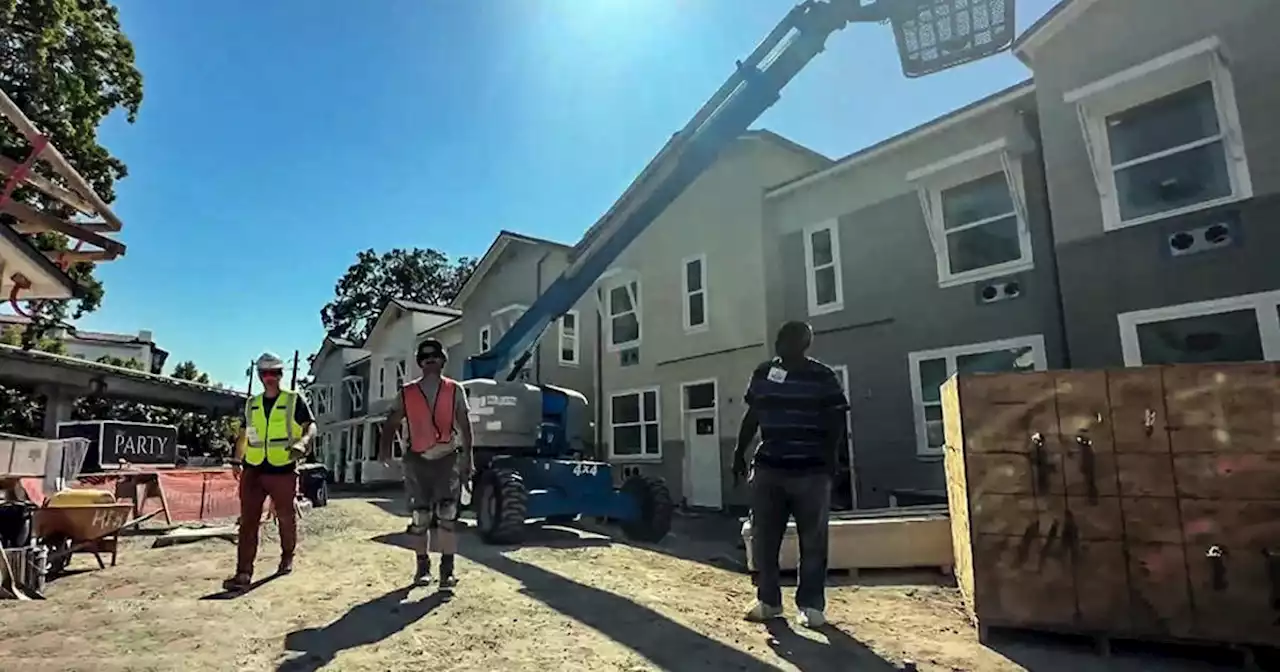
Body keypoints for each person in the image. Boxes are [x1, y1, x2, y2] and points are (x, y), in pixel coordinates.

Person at [733, 321, 850, 628]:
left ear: (804, 343)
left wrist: (831, 460)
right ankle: (768, 600)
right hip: (769, 468)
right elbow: (752, 415)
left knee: (813, 541)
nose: (780, 343)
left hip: (811, 471)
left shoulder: (822, 376)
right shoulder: (763, 374)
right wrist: (738, 452)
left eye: (789, 339)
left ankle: (810, 605)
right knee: (763, 539)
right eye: (780, 338)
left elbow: (837, 420)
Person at [379, 338, 473, 589]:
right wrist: (384, 452)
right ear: (420, 362)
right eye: (425, 356)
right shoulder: (407, 392)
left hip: (447, 458)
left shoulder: (455, 389)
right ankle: (422, 567)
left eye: (435, 355)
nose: (431, 359)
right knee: (420, 517)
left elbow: (465, 425)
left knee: (447, 515)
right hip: (416, 459)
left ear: (443, 360)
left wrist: (468, 460)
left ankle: (447, 569)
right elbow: (392, 421)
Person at [223, 352, 316, 592]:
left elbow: (311, 426)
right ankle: (243, 573)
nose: (269, 377)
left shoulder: (294, 400)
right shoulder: (252, 404)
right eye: (264, 373)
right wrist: (236, 458)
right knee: (248, 522)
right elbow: (244, 433)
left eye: (274, 373)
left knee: (285, 516)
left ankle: (287, 556)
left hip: (283, 468)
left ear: (281, 375)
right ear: (259, 376)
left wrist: (304, 443)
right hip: (253, 469)